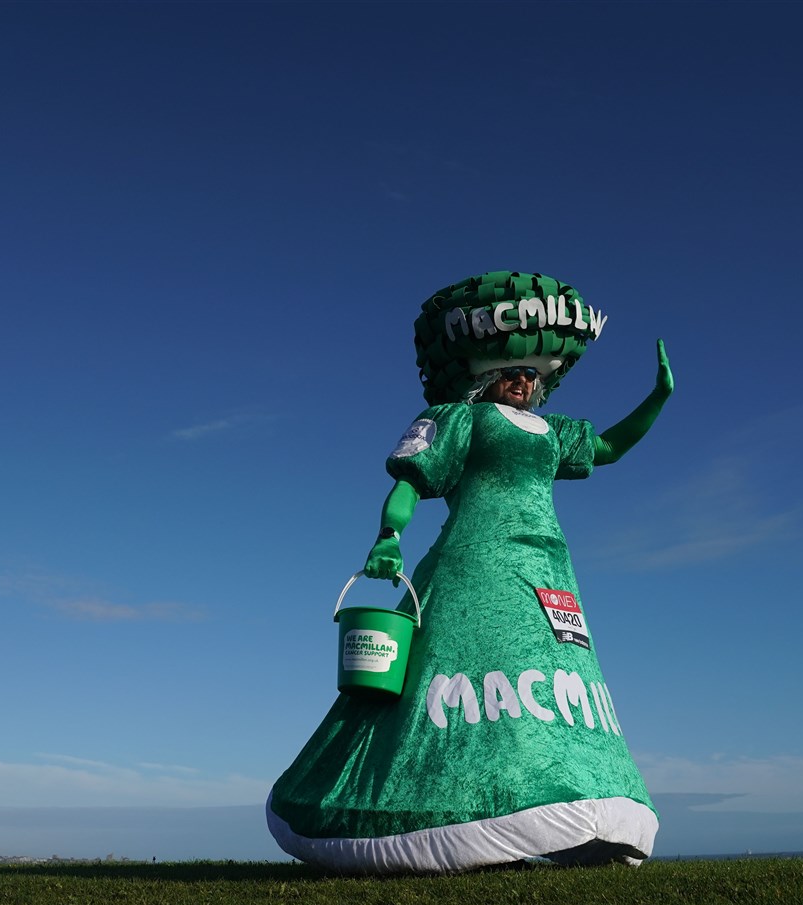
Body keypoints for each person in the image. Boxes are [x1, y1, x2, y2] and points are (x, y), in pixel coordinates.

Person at [266, 271, 674, 873]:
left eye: (534, 375)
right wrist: (388, 537)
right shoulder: (458, 418)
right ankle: (458, 816)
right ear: (486, 376)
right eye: (514, 372)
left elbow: (608, 448)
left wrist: (657, 398)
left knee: (557, 667)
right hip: (474, 559)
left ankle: (576, 807)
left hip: (547, 567)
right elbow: (410, 479)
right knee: (458, 662)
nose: (523, 381)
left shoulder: (554, 433)